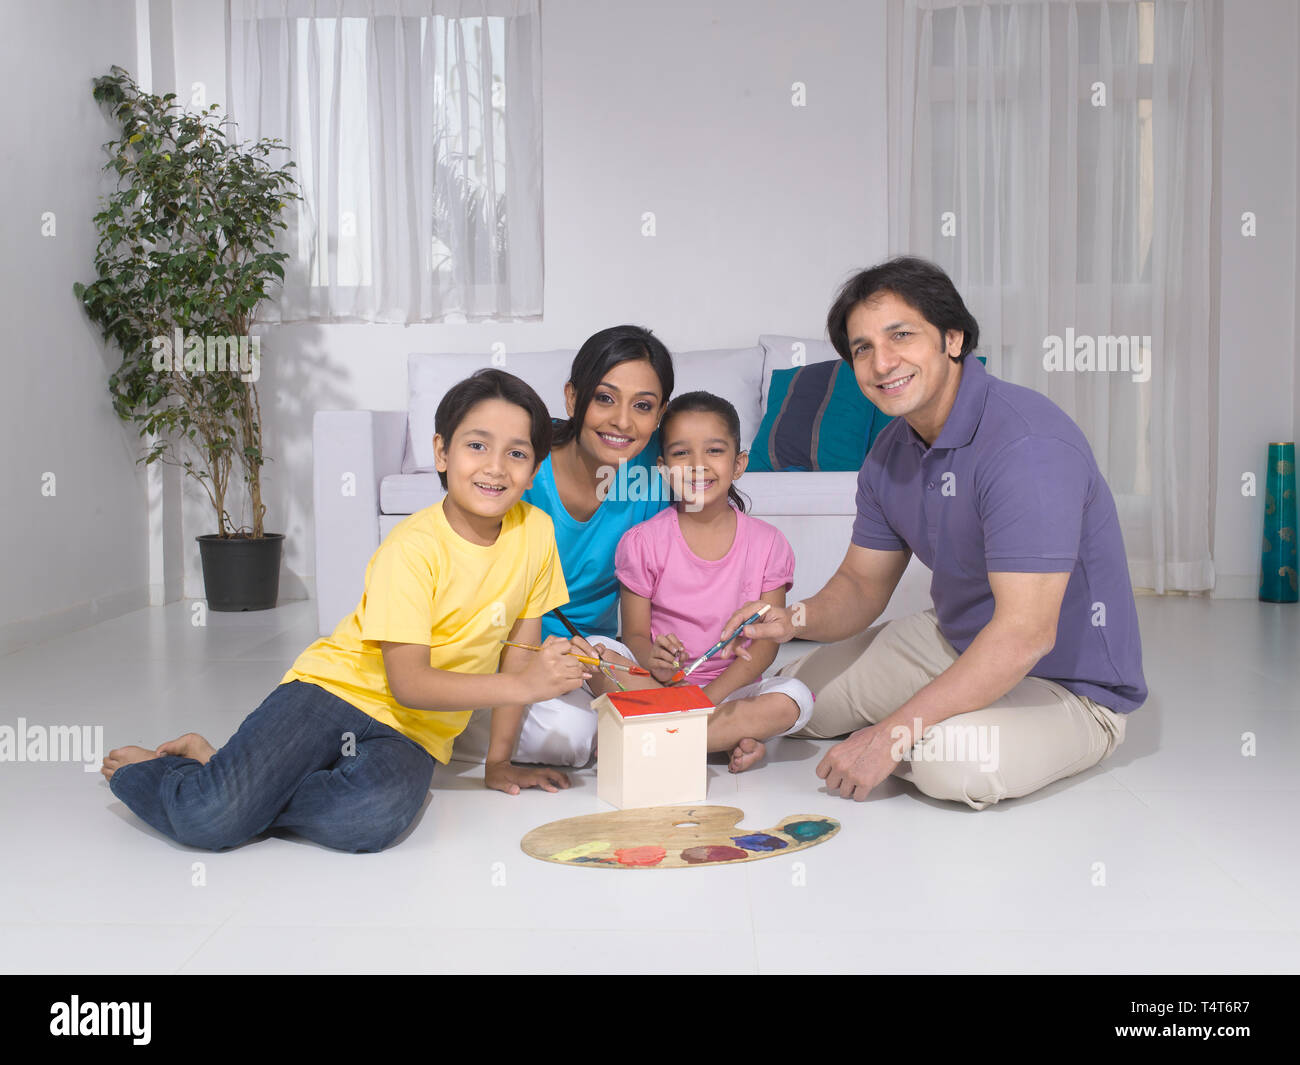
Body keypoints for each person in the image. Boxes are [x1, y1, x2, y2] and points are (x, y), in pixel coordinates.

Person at [719, 256, 1147, 809]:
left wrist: (893, 732)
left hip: (1069, 685)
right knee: (780, 699)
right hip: (956, 642)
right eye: (863, 348)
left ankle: (917, 728)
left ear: (953, 338)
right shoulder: (890, 452)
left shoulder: (1027, 447)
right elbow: (859, 586)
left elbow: (1025, 634)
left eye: (901, 335)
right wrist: (792, 617)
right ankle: (909, 718)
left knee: (951, 760)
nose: (881, 362)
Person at [101, 370, 587, 852]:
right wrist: (523, 686)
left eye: (517, 453)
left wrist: (497, 763)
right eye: (477, 446)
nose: (496, 467)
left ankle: (231, 776)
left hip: (412, 731)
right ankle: (176, 775)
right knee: (210, 820)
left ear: (535, 468)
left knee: (372, 818)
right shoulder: (412, 547)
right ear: (442, 451)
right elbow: (409, 682)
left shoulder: (536, 533)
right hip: (333, 693)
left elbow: (517, 653)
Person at [455, 325, 677, 768]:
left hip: (593, 648)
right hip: (506, 644)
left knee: (636, 716)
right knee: (570, 740)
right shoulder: (521, 466)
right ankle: (444, 721)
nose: (622, 422)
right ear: (573, 398)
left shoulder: (658, 473)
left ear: (660, 414)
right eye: (605, 398)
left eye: (643, 406)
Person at [614, 392, 814, 773]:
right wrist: (652, 659)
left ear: (739, 464)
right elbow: (635, 635)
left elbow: (765, 646)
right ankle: (718, 739)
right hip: (659, 686)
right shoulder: (641, 542)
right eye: (681, 453)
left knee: (794, 697)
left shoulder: (768, 543)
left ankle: (663, 737)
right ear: (662, 467)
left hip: (730, 689)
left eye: (714, 451)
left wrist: (704, 700)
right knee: (597, 651)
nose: (697, 466)